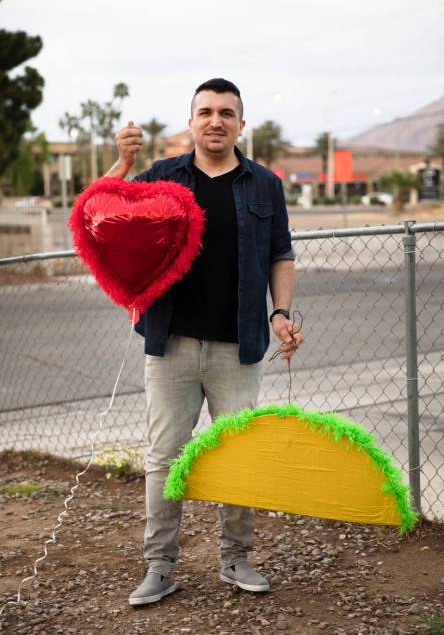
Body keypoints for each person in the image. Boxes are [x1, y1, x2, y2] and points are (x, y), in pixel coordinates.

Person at [105, 78, 302, 606]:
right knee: (165, 457)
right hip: (169, 341)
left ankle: (235, 558)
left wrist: (280, 313)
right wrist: (122, 166)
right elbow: (101, 216)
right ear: (190, 121)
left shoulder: (265, 184)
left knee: (238, 454)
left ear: (241, 123)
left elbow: (281, 255)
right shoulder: (162, 176)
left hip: (238, 345)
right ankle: (160, 566)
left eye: (227, 113)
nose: (216, 121)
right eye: (206, 111)